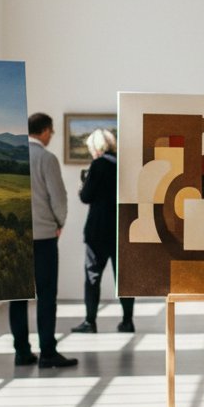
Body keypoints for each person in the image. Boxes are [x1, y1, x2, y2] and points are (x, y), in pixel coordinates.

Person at [9, 112, 78, 368]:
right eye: (52, 132)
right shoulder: (46, 159)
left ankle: (21, 352)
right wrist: (60, 223)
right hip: (43, 237)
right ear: (45, 131)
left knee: (16, 297)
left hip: (16, 237)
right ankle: (47, 351)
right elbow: (58, 198)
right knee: (46, 295)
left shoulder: (13, 156)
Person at [70, 128, 135, 334]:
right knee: (124, 280)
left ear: (96, 147)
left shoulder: (98, 164)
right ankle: (127, 321)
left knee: (92, 276)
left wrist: (82, 188)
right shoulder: (123, 164)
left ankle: (90, 322)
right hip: (122, 229)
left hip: (98, 230)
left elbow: (86, 196)